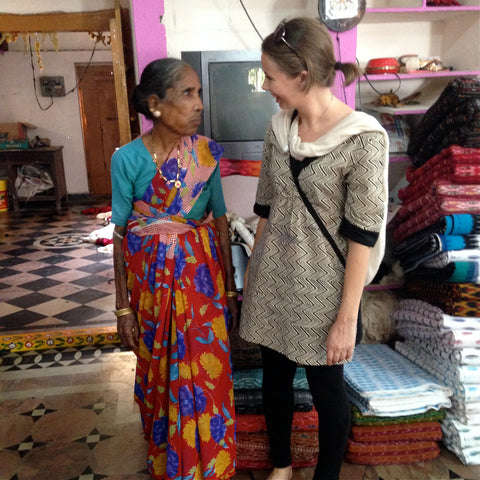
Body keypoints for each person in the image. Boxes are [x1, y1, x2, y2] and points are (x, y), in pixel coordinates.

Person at [239, 17, 389, 480]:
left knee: (328, 392)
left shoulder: (363, 138)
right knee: (276, 380)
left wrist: (347, 317)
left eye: (270, 76)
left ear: (301, 75)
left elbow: (363, 234)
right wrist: (252, 282)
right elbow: (264, 209)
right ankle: (281, 466)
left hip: (326, 291)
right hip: (272, 279)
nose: (266, 86)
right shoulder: (277, 129)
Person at [111, 58, 238, 480]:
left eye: (199, 93)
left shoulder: (205, 154)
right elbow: (119, 234)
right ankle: (168, 460)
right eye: (188, 93)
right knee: (160, 373)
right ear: (155, 104)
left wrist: (232, 290)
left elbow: (219, 220)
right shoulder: (127, 160)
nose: (199, 103)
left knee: (207, 376)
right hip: (151, 292)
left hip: (202, 289)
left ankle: (213, 464)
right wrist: (122, 308)